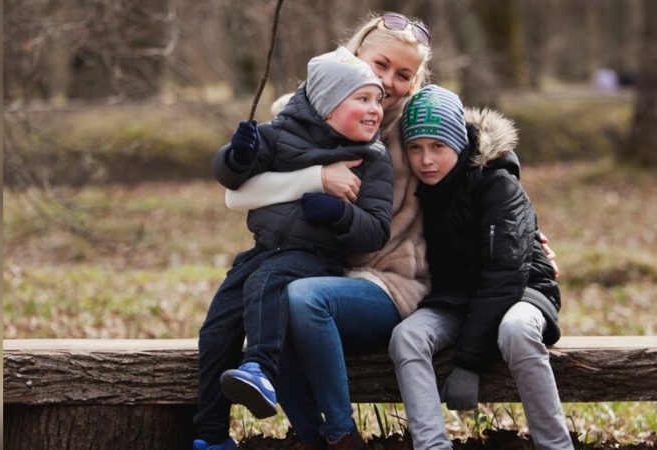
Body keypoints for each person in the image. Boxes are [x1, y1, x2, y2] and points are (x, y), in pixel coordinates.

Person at [222, 12, 558, 450]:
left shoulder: (416, 126)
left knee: (300, 300)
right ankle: (303, 437)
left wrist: (528, 244)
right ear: (354, 53)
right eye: (380, 65)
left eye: (404, 74)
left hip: (394, 282)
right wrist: (319, 178)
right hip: (319, 267)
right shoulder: (306, 117)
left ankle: (341, 436)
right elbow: (236, 196)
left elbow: (485, 172)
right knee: (266, 305)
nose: (389, 82)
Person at [192, 47, 394, 450]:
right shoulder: (278, 135)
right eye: (362, 99)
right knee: (217, 327)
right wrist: (238, 156)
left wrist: (338, 214)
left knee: (268, 284)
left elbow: (374, 230)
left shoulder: (371, 159)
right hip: (264, 251)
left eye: (377, 101)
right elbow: (231, 178)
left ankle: (260, 367)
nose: (375, 110)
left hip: (314, 259)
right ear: (326, 105)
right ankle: (211, 435)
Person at [388, 85, 573, 450]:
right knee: (406, 337)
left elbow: (504, 276)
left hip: (522, 292)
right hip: (456, 299)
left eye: (438, 147)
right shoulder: (418, 190)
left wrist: (468, 364)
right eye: (416, 148)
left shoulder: (497, 185)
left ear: (459, 143)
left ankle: (555, 445)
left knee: (517, 330)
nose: (426, 160)